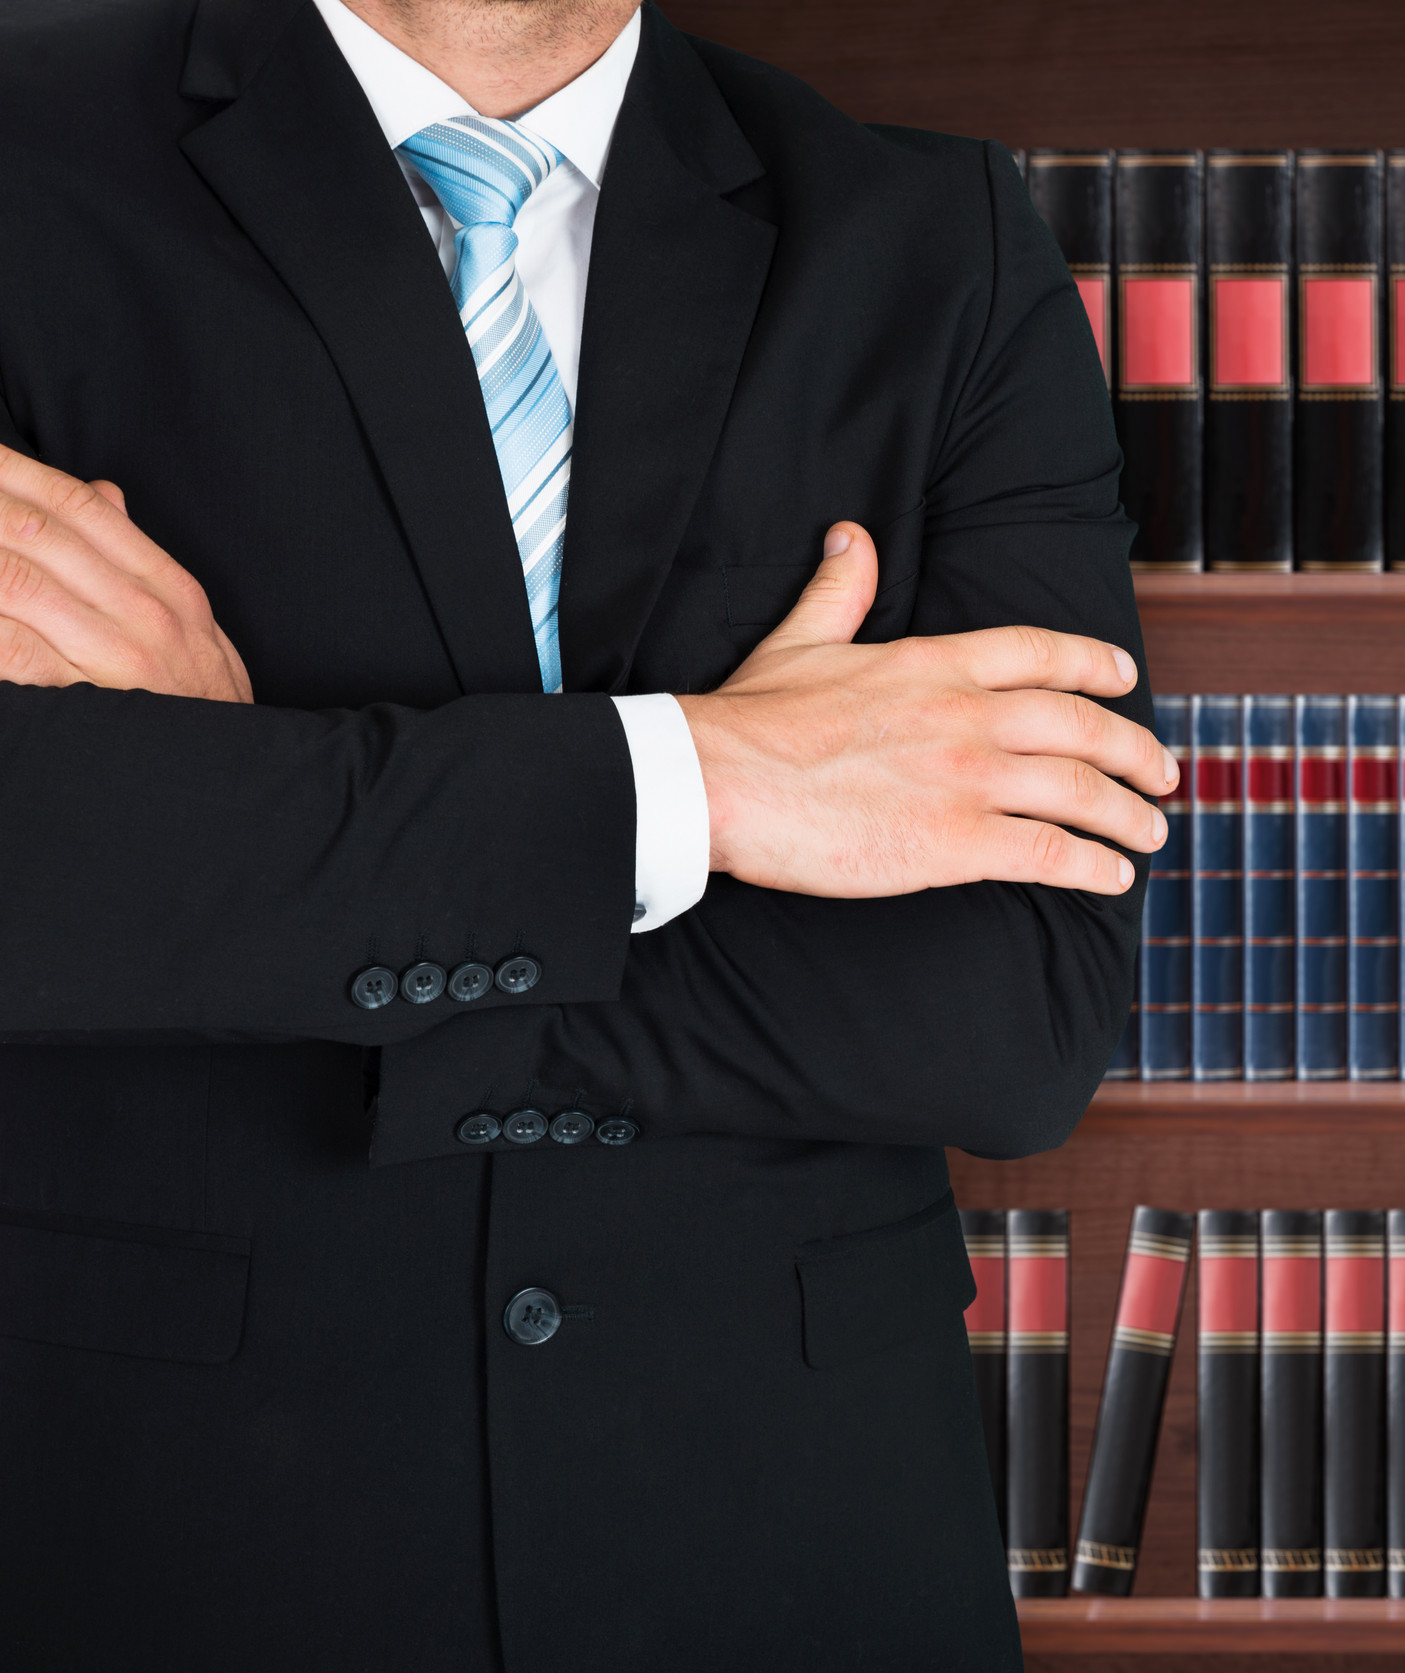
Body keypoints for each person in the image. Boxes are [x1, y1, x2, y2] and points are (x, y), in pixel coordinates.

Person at [0, 1, 1165, 1666]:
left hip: (792, 1555)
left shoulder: (935, 246)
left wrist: (255, 832)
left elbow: (1012, 1017)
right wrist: (708, 784)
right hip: (168, 1543)